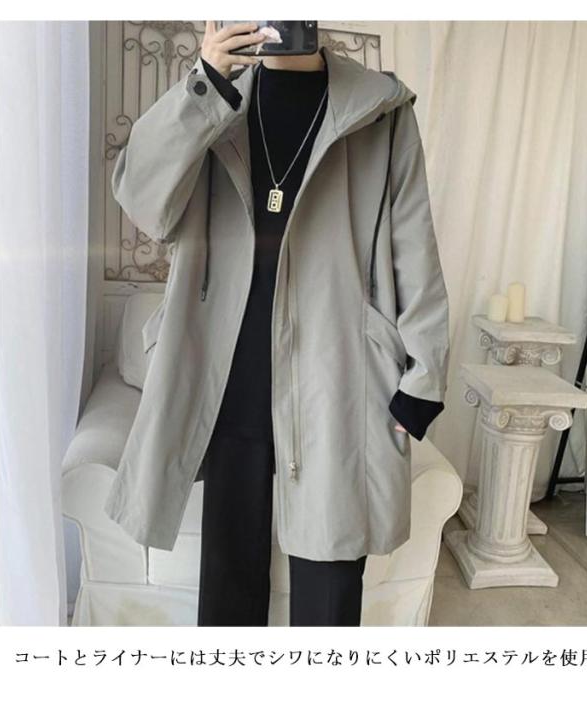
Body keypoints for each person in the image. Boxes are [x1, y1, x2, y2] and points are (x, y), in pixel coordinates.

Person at [104, 20, 450, 628]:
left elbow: (413, 244)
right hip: (228, 378)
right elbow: (140, 198)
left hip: (336, 376)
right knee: (229, 589)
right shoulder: (215, 104)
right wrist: (206, 81)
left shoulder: (380, 111)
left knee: (329, 586)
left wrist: (423, 379)